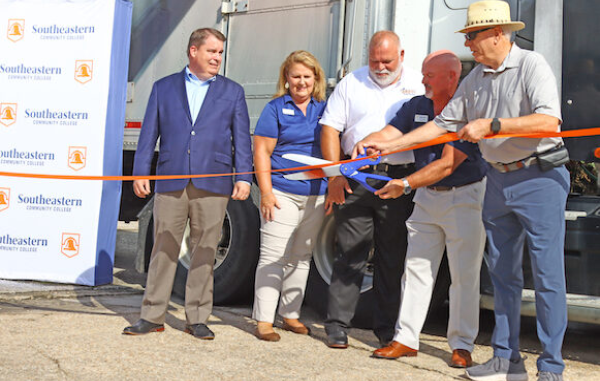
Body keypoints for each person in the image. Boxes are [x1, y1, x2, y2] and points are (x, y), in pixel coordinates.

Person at [356, 2, 570, 380]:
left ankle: (551, 367)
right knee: (503, 275)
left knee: (547, 276)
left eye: (472, 35)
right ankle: (507, 362)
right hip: (499, 180)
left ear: (498, 34)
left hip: (537, 177)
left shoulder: (532, 65)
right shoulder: (475, 80)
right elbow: (442, 126)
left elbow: (549, 121)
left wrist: (494, 125)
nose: (468, 43)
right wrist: (390, 146)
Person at [123, 28, 253, 340]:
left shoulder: (232, 91)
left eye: (220, 53)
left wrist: (244, 177)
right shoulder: (163, 87)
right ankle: (152, 314)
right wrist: (141, 173)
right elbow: (148, 137)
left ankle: (197, 318)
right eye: (212, 52)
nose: (217, 58)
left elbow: (242, 139)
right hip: (171, 179)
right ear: (193, 51)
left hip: (214, 180)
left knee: (205, 250)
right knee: (164, 248)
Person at [360, 51, 487, 368]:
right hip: (426, 198)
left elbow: (446, 164)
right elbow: (391, 134)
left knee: (464, 277)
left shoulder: (469, 111)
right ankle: (406, 339)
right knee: (415, 270)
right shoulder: (417, 106)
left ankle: (462, 345)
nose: (423, 81)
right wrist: (369, 142)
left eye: (429, 75)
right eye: (424, 74)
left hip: (464, 197)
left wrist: (404, 184)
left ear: (451, 77)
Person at [320, 30, 424, 349]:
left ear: (402, 56)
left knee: (392, 257)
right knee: (350, 252)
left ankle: (386, 329)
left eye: (387, 61)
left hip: (399, 178)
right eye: (374, 60)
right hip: (356, 178)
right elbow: (329, 128)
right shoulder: (352, 82)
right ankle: (337, 325)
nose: (380, 66)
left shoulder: (418, 85)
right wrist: (334, 176)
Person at [251, 50, 328, 342]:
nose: (301, 82)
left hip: (316, 196)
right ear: (286, 78)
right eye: (296, 76)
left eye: (307, 76)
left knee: (301, 257)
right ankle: (264, 321)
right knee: (273, 257)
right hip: (281, 193)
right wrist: (266, 192)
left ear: (316, 79)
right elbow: (262, 152)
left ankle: (291, 315)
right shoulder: (275, 108)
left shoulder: (324, 108)